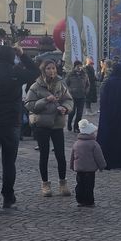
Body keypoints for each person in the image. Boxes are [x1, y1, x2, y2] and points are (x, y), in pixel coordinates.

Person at [25, 59, 74, 197]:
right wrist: (46, 100)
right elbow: (29, 105)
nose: (51, 71)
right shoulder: (35, 86)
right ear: (43, 70)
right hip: (42, 124)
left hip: (57, 124)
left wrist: (65, 108)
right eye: (48, 68)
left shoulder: (60, 84)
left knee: (60, 155)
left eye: (53, 68)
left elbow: (69, 100)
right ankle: (45, 184)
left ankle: (63, 183)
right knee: (44, 155)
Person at [0, 45, 38, 210]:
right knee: (9, 163)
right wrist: (23, 55)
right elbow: (35, 71)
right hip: (11, 123)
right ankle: (8, 197)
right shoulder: (15, 72)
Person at [69, 119, 106, 207]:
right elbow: (99, 157)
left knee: (80, 184)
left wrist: (72, 166)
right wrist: (102, 166)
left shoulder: (76, 144)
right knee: (89, 186)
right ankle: (89, 201)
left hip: (79, 170)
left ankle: (80, 200)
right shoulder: (94, 144)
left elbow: (72, 157)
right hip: (90, 170)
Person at [65, 60, 90, 133]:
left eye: (80, 66)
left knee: (79, 113)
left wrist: (86, 91)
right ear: (75, 67)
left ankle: (76, 127)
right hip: (73, 96)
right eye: (78, 66)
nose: (79, 68)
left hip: (82, 96)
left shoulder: (84, 74)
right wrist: (70, 91)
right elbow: (66, 84)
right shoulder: (70, 74)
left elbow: (88, 84)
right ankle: (69, 124)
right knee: (72, 112)